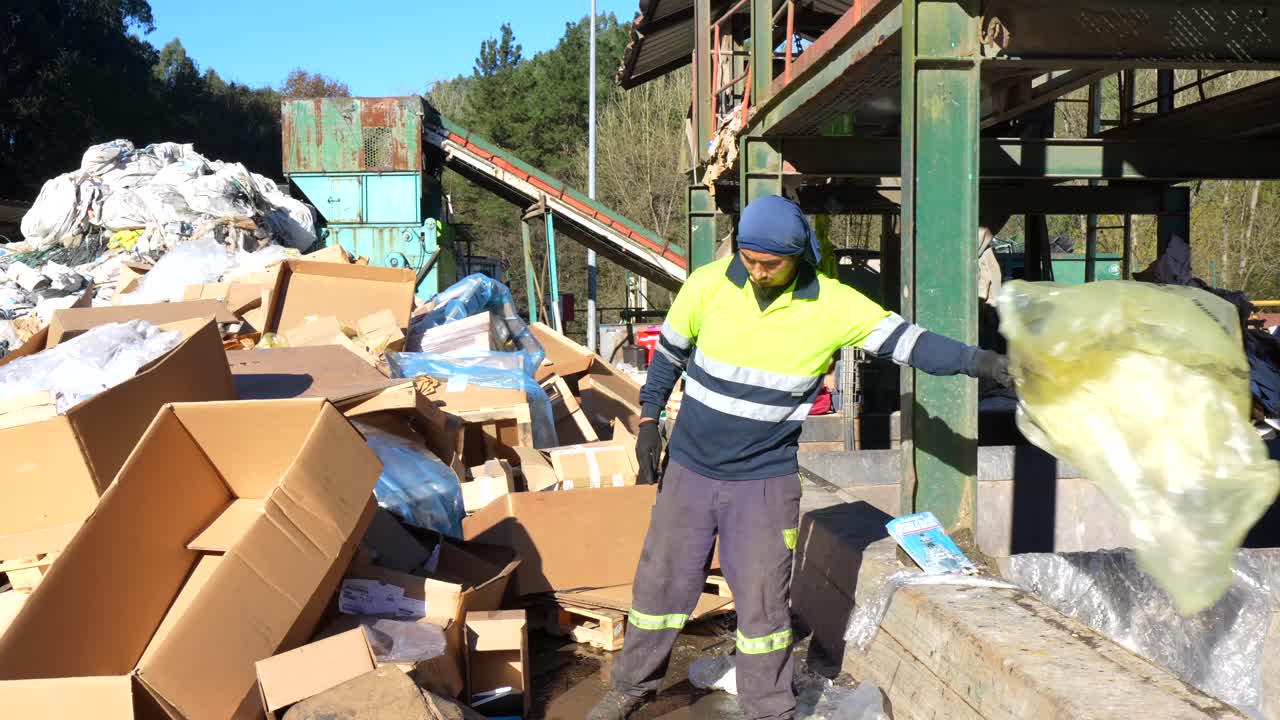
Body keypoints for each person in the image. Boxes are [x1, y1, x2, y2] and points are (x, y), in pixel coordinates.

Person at [587, 195, 1011, 720]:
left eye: (771, 262)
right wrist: (649, 422)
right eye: (749, 258)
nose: (759, 271)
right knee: (660, 587)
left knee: (763, 604)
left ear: (800, 255)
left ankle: (769, 709)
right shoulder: (707, 285)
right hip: (691, 472)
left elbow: (911, 344)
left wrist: (980, 361)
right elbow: (669, 356)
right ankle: (631, 689)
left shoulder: (835, 306)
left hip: (763, 483)